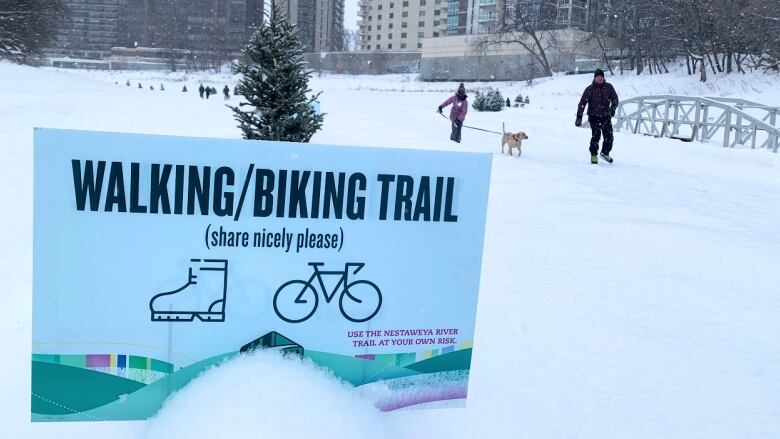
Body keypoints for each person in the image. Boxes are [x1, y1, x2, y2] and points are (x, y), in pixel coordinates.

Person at [576, 69, 619, 164]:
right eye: (598, 76)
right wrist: (579, 117)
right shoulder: (590, 89)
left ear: (603, 77)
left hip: (606, 116)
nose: (600, 78)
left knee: (609, 136)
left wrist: (613, 108)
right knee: (596, 136)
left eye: (601, 76)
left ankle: (605, 153)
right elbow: (582, 103)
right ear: (595, 77)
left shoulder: (609, 87)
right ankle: (594, 155)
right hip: (594, 116)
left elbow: (615, 99)